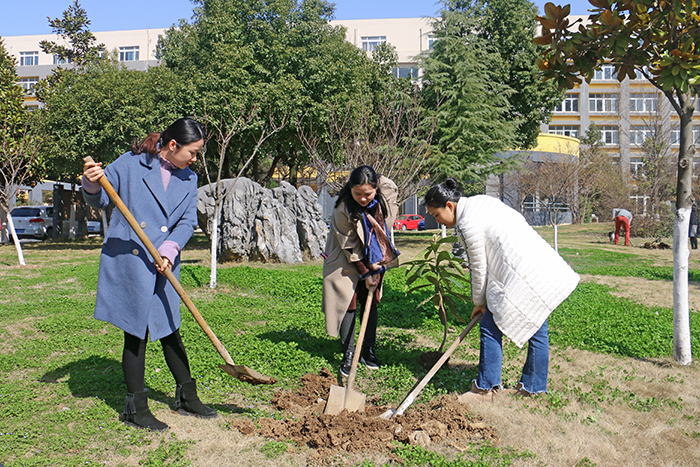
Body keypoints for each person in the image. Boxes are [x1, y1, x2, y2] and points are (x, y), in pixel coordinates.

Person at [82, 117, 217, 432]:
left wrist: (170, 249)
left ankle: (187, 397)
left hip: (164, 263)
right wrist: (92, 182)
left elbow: (187, 221)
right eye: (192, 152)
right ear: (173, 145)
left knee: (170, 327)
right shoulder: (132, 164)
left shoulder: (189, 178)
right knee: (136, 334)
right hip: (133, 262)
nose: (194, 159)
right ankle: (136, 409)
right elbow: (101, 198)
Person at [424, 179, 580, 401]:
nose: (437, 220)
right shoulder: (480, 202)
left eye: (437, 215)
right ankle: (533, 387)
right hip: (540, 265)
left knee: (489, 326)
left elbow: (478, 267)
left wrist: (479, 302)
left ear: (449, 206)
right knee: (538, 327)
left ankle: (486, 388)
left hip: (523, 270)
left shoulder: (467, 222)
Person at [322, 166, 400, 376]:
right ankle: (348, 354)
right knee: (348, 302)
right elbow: (350, 246)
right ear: (350, 189)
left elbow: (390, 186)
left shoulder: (384, 200)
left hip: (375, 255)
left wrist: (375, 267)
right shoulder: (342, 207)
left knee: (370, 301)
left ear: (376, 188)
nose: (363, 198)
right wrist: (365, 272)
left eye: (368, 193)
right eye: (358, 193)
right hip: (345, 258)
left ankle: (368, 350)